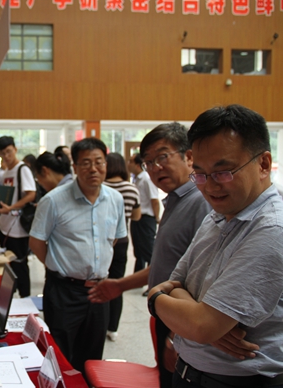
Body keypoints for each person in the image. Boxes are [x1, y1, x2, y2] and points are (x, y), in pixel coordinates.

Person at [149, 105, 283, 388]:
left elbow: (200, 325)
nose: (209, 186)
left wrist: (156, 300)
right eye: (200, 174)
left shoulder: (272, 230)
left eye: (223, 172)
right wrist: (200, 317)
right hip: (191, 373)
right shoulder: (217, 217)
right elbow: (177, 282)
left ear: (263, 164)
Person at [88, 122, 211, 388]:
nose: (155, 168)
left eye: (163, 157)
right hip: (171, 317)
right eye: (148, 163)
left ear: (189, 156)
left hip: (185, 325)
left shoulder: (201, 203)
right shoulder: (175, 201)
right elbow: (167, 265)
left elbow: (205, 279)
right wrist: (120, 285)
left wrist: (177, 336)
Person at [29, 138, 126, 373]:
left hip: (99, 291)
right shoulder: (53, 200)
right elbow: (36, 242)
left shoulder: (116, 199)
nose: (93, 169)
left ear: (106, 164)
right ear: (75, 167)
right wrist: (58, 265)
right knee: (60, 357)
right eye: (86, 163)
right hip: (64, 291)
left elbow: (114, 239)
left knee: (92, 358)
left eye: (99, 162)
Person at [102, 152, 141, 342]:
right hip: (121, 240)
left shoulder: (101, 187)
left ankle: (99, 323)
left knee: (98, 281)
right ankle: (113, 328)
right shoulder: (131, 188)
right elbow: (137, 216)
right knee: (117, 283)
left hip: (100, 240)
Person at [0, 136, 37, 298]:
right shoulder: (6, 172)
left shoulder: (22, 169)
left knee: (20, 265)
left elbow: (31, 194)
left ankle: (26, 300)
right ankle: (11, 297)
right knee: (9, 265)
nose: (6, 156)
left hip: (17, 226)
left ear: (15, 149)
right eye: (2, 153)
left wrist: (11, 208)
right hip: (4, 225)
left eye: (9, 152)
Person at [128, 153, 160, 273]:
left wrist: (157, 217)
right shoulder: (137, 179)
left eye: (131, 161)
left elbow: (154, 200)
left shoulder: (147, 179)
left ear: (138, 165)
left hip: (146, 219)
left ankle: (153, 277)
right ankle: (138, 276)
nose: (128, 164)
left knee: (148, 251)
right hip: (138, 218)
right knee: (139, 251)